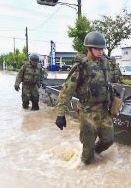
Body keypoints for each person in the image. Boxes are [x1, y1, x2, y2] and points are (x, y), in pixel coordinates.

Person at [55, 31, 115, 165]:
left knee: (108, 140)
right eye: (97, 49)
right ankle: (84, 165)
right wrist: (61, 114)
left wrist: (114, 98)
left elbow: (109, 83)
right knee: (88, 152)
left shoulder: (105, 63)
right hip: (87, 112)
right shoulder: (81, 66)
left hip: (104, 111)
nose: (100, 51)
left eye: (102, 48)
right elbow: (67, 90)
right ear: (88, 48)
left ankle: (95, 153)